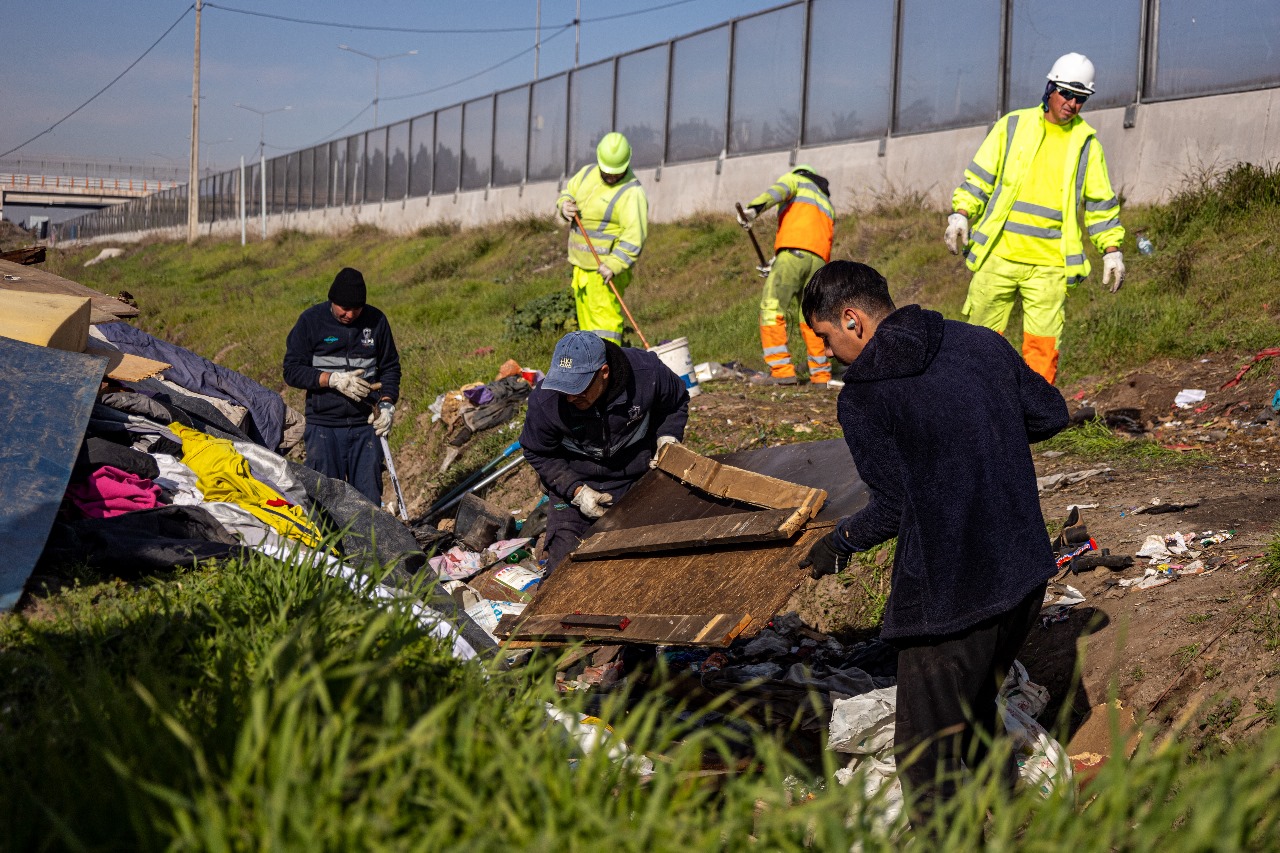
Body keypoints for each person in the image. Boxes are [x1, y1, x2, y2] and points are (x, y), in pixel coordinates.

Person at [798, 260, 1068, 818]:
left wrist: (839, 542)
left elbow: (893, 508)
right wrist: (978, 426)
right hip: (1023, 577)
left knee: (922, 760)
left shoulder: (864, 396)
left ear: (852, 321)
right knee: (970, 712)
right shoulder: (978, 342)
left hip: (951, 601)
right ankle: (1017, 817)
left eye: (824, 339)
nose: (826, 354)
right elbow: (1050, 413)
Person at [946, 52, 1125, 385]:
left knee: (1042, 348)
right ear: (1050, 88)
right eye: (1067, 93)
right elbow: (979, 179)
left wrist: (1111, 249)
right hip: (998, 255)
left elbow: (1100, 204)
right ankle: (975, 409)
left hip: (1050, 266)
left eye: (1081, 98)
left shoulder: (1087, 144)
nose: (1072, 103)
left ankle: (1033, 424)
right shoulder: (1013, 126)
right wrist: (961, 213)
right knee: (979, 342)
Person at [520, 330, 689, 571]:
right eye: (563, 387)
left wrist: (668, 439)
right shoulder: (545, 402)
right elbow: (537, 451)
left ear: (604, 373)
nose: (568, 398)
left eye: (577, 388)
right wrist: (576, 491)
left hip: (640, 478)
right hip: (578, 484)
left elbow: (676, 402)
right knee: (564, 571)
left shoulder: (646, 373)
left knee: (659, 560)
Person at [283, 267, 401, 505]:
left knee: (367, 502)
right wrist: (331, 379)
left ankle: (370, 543)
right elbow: (292, 370)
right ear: (332, 301)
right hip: (324, 427)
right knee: (325, 502)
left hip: (365, 427)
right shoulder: (311, 321)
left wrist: (387, 404)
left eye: (355, 310)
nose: (349, 315)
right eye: (343, 309)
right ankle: (327, 543)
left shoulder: (376, 321)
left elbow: (390, 368)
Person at [737, 165, 836, 386]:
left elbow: (777, 192)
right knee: (811, 316)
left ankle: (781, 371)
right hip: (818, 262)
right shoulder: (826, 202)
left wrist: (753, 210)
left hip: (792, 255)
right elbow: (809, 242)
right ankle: (821, 375)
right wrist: (776, 263)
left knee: (772, 308)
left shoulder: (796, 180)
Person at [556, 132, 649, 343]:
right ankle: (594, 369)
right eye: (607, 172)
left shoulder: (631, 193)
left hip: (605, 272)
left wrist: (614, 264)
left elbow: (634, 237)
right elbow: (567, 192)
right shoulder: (587, 173)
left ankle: (611, 368)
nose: (611, 177)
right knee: (588, 329)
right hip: (582, 268)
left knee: (605, 327)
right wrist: (564, 205)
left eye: (616, 173)